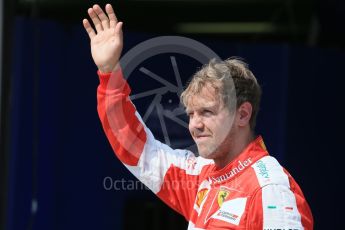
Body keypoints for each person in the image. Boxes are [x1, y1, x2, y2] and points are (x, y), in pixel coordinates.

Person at [83, 4, 314, 229]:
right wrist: (109, 72)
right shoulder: (199, 174)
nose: (195, 125)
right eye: (191, 115)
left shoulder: (270, 187)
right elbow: (137, 149)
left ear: (242, 114)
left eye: (207, 112)